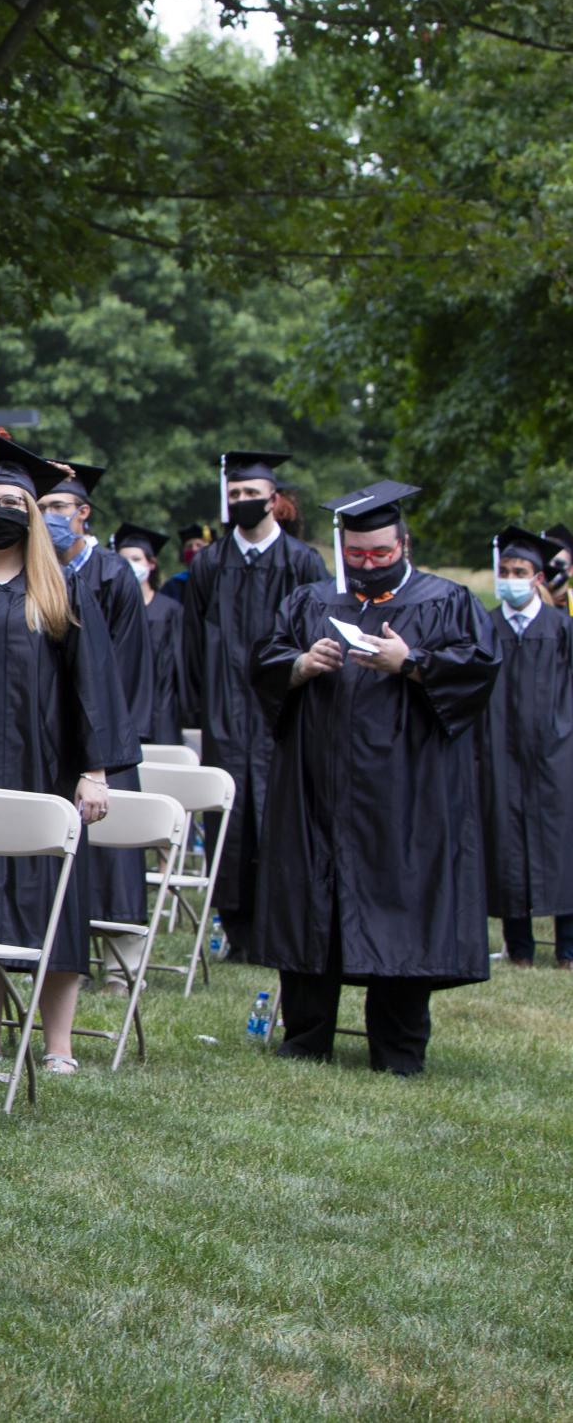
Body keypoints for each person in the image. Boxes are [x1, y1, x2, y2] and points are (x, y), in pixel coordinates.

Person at [252, 483, 500, 1074]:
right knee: (315, 902)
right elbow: (263, 659)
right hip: (319, 788)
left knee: (402, 906)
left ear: (404, 544)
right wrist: (299, 666)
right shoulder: (311, 600)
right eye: (357, 554)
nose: (367, 565)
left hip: (408, 794)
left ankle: (398, 1048)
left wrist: (410, 664)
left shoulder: (447, 600)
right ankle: (307, 1037)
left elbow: (480, 670)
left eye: (380, 554)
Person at [0, 440, 130, 1073]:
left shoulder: (61, 593)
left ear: (31, 509)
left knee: (56, 904)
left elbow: (95, 686)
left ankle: (59, 1048)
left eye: (10, 501)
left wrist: (96, 770)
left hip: (42, 773)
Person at [179, 450, 329, 953]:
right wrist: (196, 713)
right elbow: (193, 643)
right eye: (235, 494)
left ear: (273, 497)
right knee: (229, 816)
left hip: (283, 712)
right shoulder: (211, 563)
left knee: (280, 812)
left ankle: (277, 923)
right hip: (223, 711)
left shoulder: (303, 562)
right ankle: (235, 929)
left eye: (251, 493)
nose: (243, 501)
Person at [39, 460, 153, 989]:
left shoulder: (112, 573)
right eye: (40, 509)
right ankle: (62, 956)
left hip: (105, 731)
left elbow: (123, 664)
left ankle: (120, 964)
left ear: (83, 513)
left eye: (58, 507)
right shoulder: (30, 572)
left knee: (114, 858)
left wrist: (105, 741)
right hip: (47, 738)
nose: (49, 517)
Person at [480, 527, 573, 970]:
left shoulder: (562, 628)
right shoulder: (486, 626)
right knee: (508, 845)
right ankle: (519, 949)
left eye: (520, 571)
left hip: (557, 754)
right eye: (505, 571)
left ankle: (569, 949)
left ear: (537, 577)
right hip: (499, 753)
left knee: (564, 843)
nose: (511, 578)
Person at [112, 523, 183, 745]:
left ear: (151, 564)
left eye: (136, 559)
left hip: (163, 708)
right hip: (122, 706)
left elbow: (178, 665)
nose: (129, 566)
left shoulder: (170, 609)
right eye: (123, 560)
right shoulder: (113, 608)